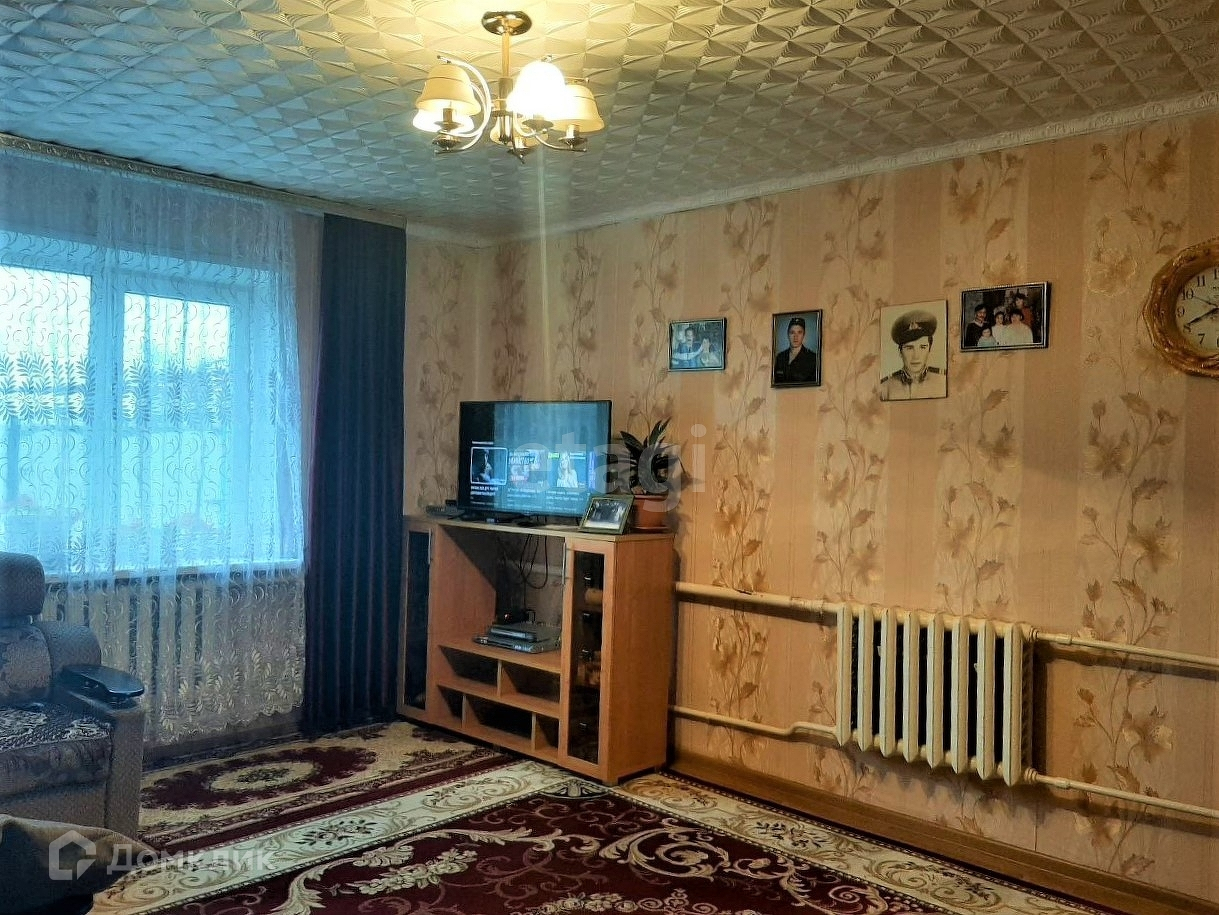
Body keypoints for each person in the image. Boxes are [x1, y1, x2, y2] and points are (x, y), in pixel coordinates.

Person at [879, 309, 946, 401]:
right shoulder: (885, 387)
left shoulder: (943, 381)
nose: (916, 356)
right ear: (900, 352)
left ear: (929, 349)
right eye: (909, 348)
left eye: (922, 347)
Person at [772, 315, 818, 385]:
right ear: (788, 334)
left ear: (804, 335)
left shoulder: (813, 359)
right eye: (792, 332)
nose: (795, 336)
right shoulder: (780, 357)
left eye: (799, 332)